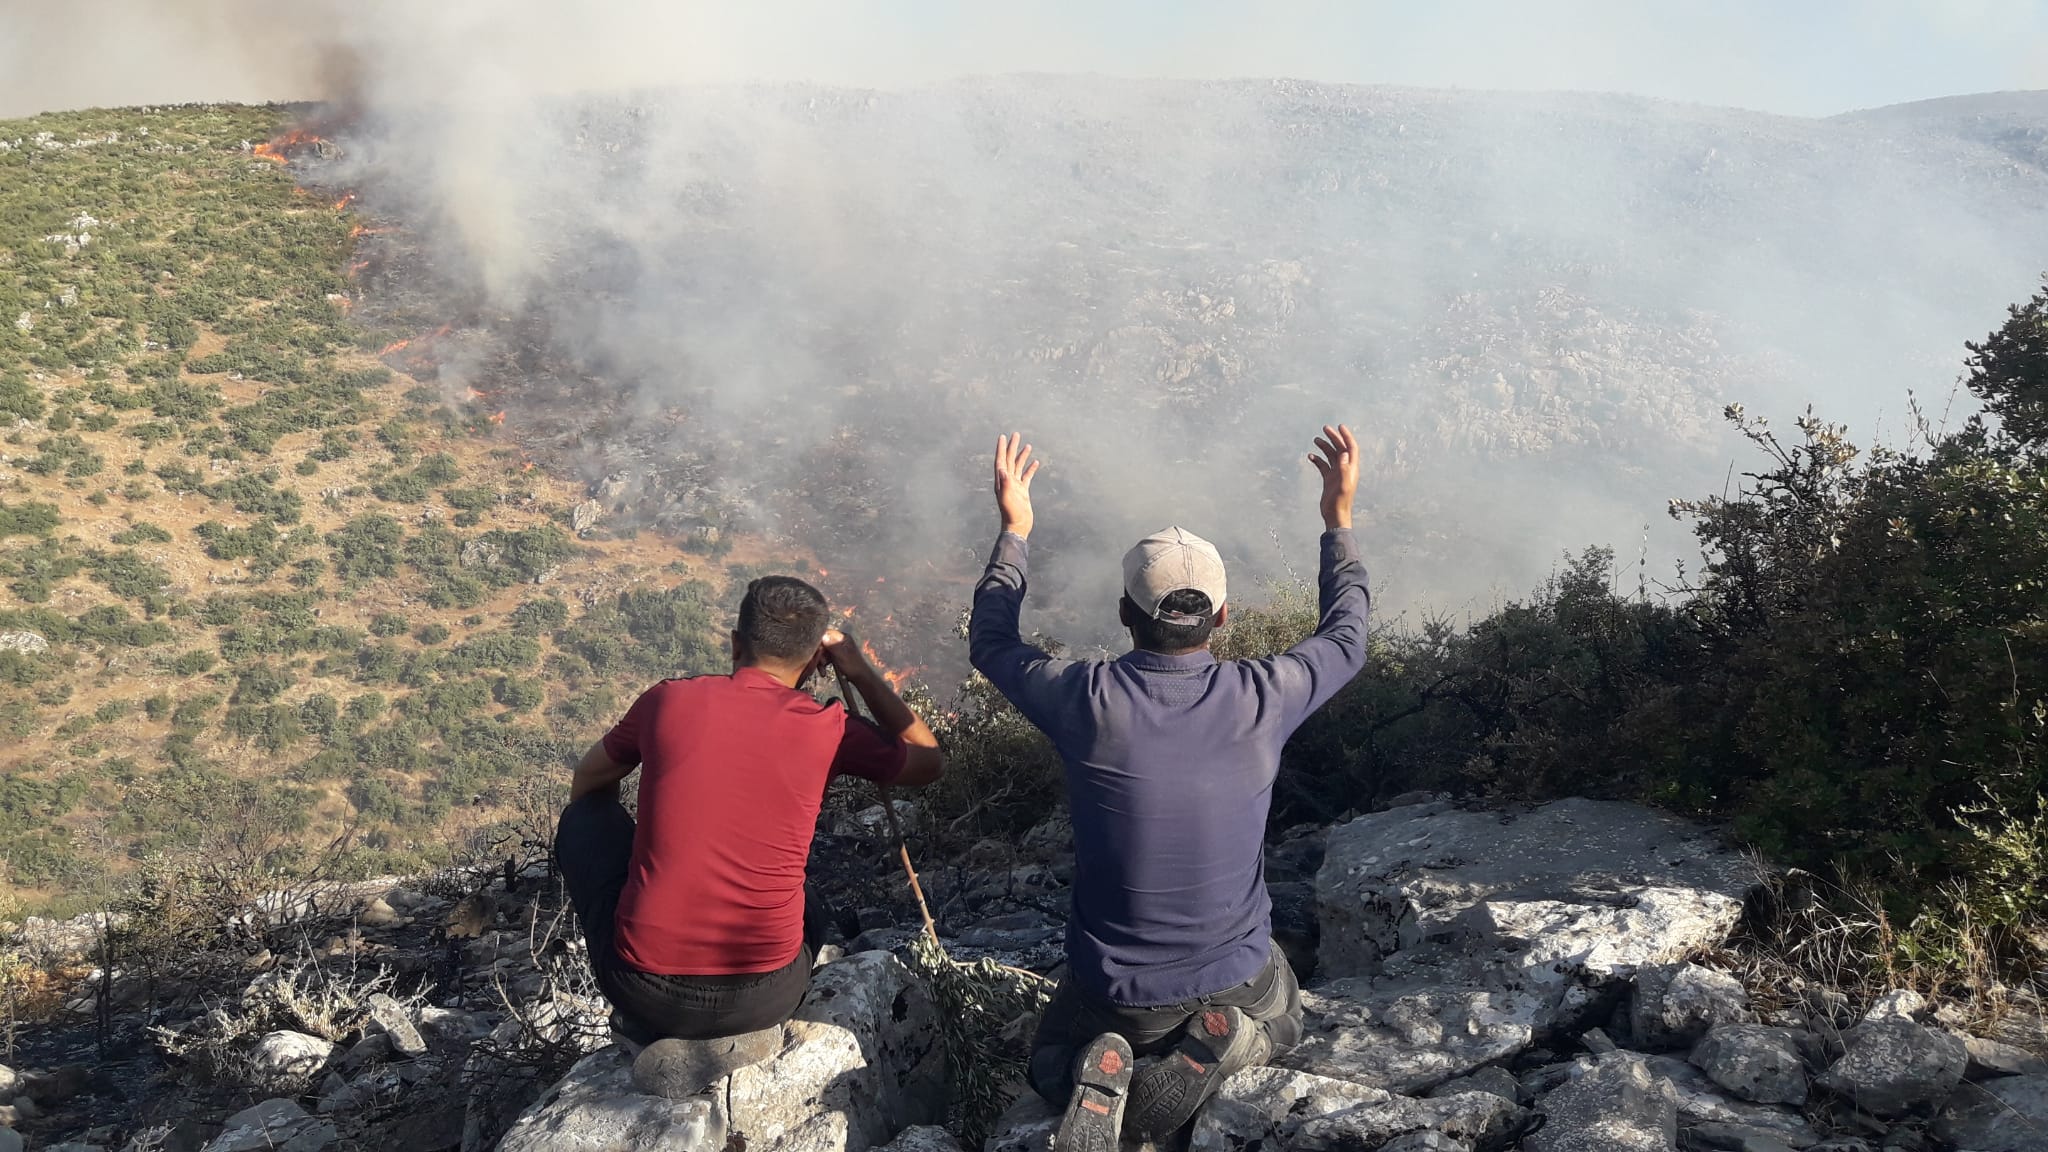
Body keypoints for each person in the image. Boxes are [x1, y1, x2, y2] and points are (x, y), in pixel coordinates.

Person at [969, 426, 1370, 1149]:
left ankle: (1095, 1074)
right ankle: (1233, 1045)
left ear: (1126, 613)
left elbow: (993, 644)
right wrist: (1336, 521)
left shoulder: (1083, 699)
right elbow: (1347, 639)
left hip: (1116, 997)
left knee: (1047, 1056)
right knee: (1286, 1011)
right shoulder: (1264, 694)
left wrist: (1014, 532)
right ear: (1222, 617)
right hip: (1234, 979)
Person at [555, 575, 944, 1092]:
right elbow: (930, 761)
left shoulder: (667, 701)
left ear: (736, 643)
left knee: (586, 820)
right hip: (768, 995)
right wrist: (862, 674)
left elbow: (589, 779)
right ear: (813, 662)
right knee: (800, 895)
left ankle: (649, 1029)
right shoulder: (829, 728)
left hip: (644, 991)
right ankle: (744, 1037)